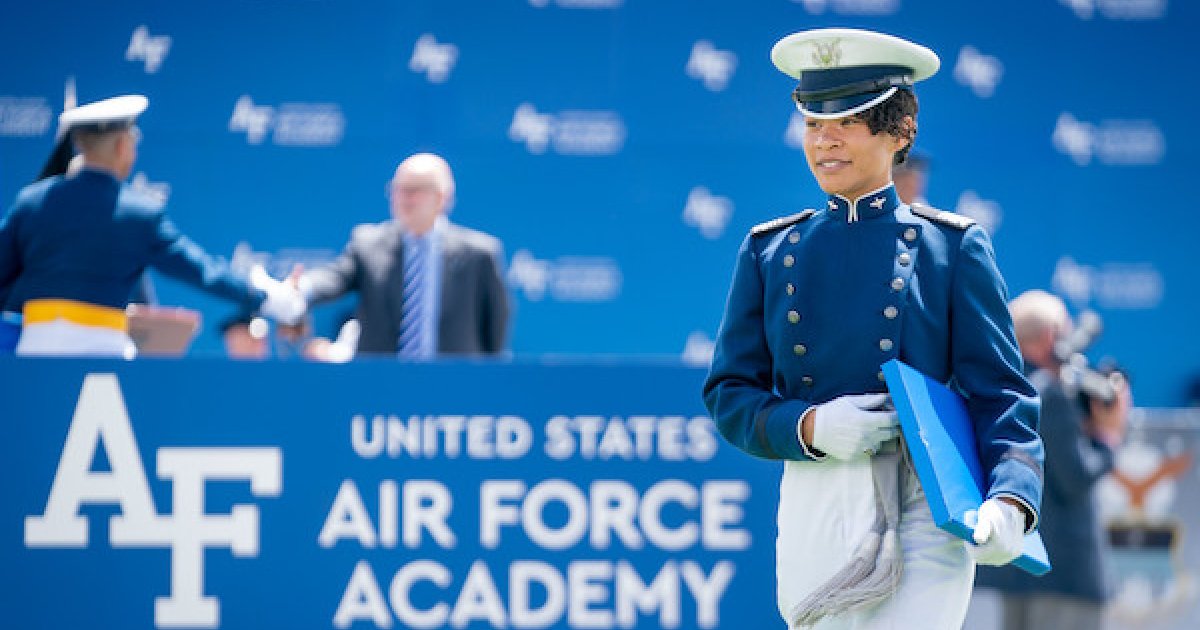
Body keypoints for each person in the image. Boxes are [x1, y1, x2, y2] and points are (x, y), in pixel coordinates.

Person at [702, 28, 1043, 629]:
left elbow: (1002, 395)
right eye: (812, 125)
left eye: (848, 122)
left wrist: (1012, 499)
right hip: (815, 498)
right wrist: (808, 425)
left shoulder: (952, 248)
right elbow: (731, 395)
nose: (824, 141)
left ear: (898, 131)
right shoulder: (769, 250)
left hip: (923, 503)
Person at [0, 95, 305, 357]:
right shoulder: (139, 214)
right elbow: (203, 272)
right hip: (102, 352)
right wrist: (266, 298)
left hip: (34, 350)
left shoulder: (31, 202)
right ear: (122, 146)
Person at [975, 290, 1131, 630]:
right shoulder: (1050, 393)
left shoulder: (995, 392)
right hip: (1064, 578)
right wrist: (1108, 437)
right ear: (1052, 335)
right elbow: (1075, 476)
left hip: (1008, 568)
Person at [300, 152, 509, 358]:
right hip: (383, 384)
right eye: (397, 189)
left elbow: (495, 330)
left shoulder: (480, 254)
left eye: (414, 191)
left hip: (453, 385)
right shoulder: (368, 244)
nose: (403, 199)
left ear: (441, 197)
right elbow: (334, 278)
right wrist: (300, 288)